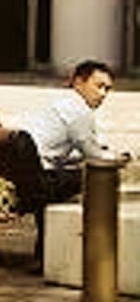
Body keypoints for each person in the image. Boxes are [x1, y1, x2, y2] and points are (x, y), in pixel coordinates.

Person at [23, 59, 119, 206]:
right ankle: (96, 225)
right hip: (39, 178)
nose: (103, 94)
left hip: (26, 170)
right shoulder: (80, 110)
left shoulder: (60, 102)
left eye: (107, 89)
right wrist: (119, 158)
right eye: (99, 86)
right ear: (79, 82)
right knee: (96, 176)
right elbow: (93, 154)